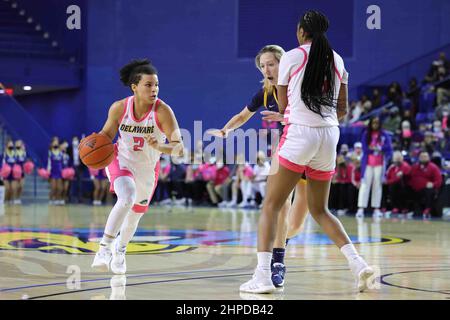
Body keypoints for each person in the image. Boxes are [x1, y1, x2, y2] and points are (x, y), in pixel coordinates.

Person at [239, 11, 373, 294]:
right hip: (329, 135)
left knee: (271, 206)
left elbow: (285, 102)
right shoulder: (337, 59)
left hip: (300, 133)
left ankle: (263, 276)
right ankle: (359, 264)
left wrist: (299, 115)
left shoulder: (292, 57)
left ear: (301, 32)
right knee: (321, 209)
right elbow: (343, 108)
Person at [208, 44, 309, 288]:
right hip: (286, 150)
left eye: (271, 64)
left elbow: (313, 115)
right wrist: (226, 129)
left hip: (310, 149)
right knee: (280, 205)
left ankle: (281, 242)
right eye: (262, 66)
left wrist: (284, 118)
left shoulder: (298, 86)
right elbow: (243, 116)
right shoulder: (264, 93)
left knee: (294, 226)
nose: (266, 69)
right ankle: (277, 261)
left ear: (283, 63)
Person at [91, 59, 184, 274]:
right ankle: (104, 248)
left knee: (134, 216)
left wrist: (161, 146)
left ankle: (120, 250)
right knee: (127, 196)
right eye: (148, 85)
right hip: (121, 159)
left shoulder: (162, 111)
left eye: (157, 85)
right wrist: (92, 145)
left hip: (147, 169)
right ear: (134, 87)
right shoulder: (119, 108)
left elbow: (179, 149)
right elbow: (105, 136)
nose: (154, 89)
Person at [356, 116, 392, 218]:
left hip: (380, 164)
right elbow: (365, 148)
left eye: (377, 123)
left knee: (377, 186)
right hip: (367, 163)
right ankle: (361, 209)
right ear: (371, 124)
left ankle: (376, 209)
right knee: (365, 185)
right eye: (373, 123)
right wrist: (375, 149)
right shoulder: (366, 134)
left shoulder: (384, 134)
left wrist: (378, 148)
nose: (375, 125)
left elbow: (388, 147)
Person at [408, 151, 443, 218]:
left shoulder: (433, 167)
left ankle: (428, 208)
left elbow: (439, 181)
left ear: (428, 158)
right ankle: (404, 208)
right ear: (419, 158)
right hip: (415, 191)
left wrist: (433, 184)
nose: (423, 158)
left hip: (427, 190)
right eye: (422, 157)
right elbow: (409, 177)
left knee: (429, 191)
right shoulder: (414, 167)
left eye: (425, 157)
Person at [385, 151, 411, 215]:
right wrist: (387, 181)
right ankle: (386, 207)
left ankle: (402, 207)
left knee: (395, 185)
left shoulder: (405, 166)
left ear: (402, 159)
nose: (397, 160)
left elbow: (398, 178)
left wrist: (388, 182)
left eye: (399, 158)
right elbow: (386, 176)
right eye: (396, 159)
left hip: (404, 186)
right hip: (392, 184)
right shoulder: (392, 167)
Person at [47, 138, 64, 205]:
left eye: (57, 142)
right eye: (54, 142)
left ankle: (57, 199)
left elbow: (63, 162)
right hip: (53, 171)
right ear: (52, 143)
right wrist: (48, 170)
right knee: (53, 187)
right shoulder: (50, 152)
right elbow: (48, 163)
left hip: (59, 171)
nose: (56, 143)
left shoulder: (61, 152)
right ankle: (51, 199)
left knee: (59, 188)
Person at [2, 140, 17, 204]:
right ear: (7, 145)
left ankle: (11, 201)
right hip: (6, 174)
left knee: (13, 189)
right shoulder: (4, 154)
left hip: (13, 173)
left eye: (12, 144)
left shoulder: (15, 154)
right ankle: (5, 201)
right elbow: (1, 164)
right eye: (10, 144)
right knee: (7, 189)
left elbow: (17, 163)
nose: (11, 146)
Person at [13, 140, 27, 204]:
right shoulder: (13, 152)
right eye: (17, 144)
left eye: (20, 144)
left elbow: (25, 162)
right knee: (16, 186)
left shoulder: (24, 153)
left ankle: (18, 198)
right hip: (15, 171)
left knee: (21, 186)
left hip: (22, 171)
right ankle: (15, 198)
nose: (19, 145)